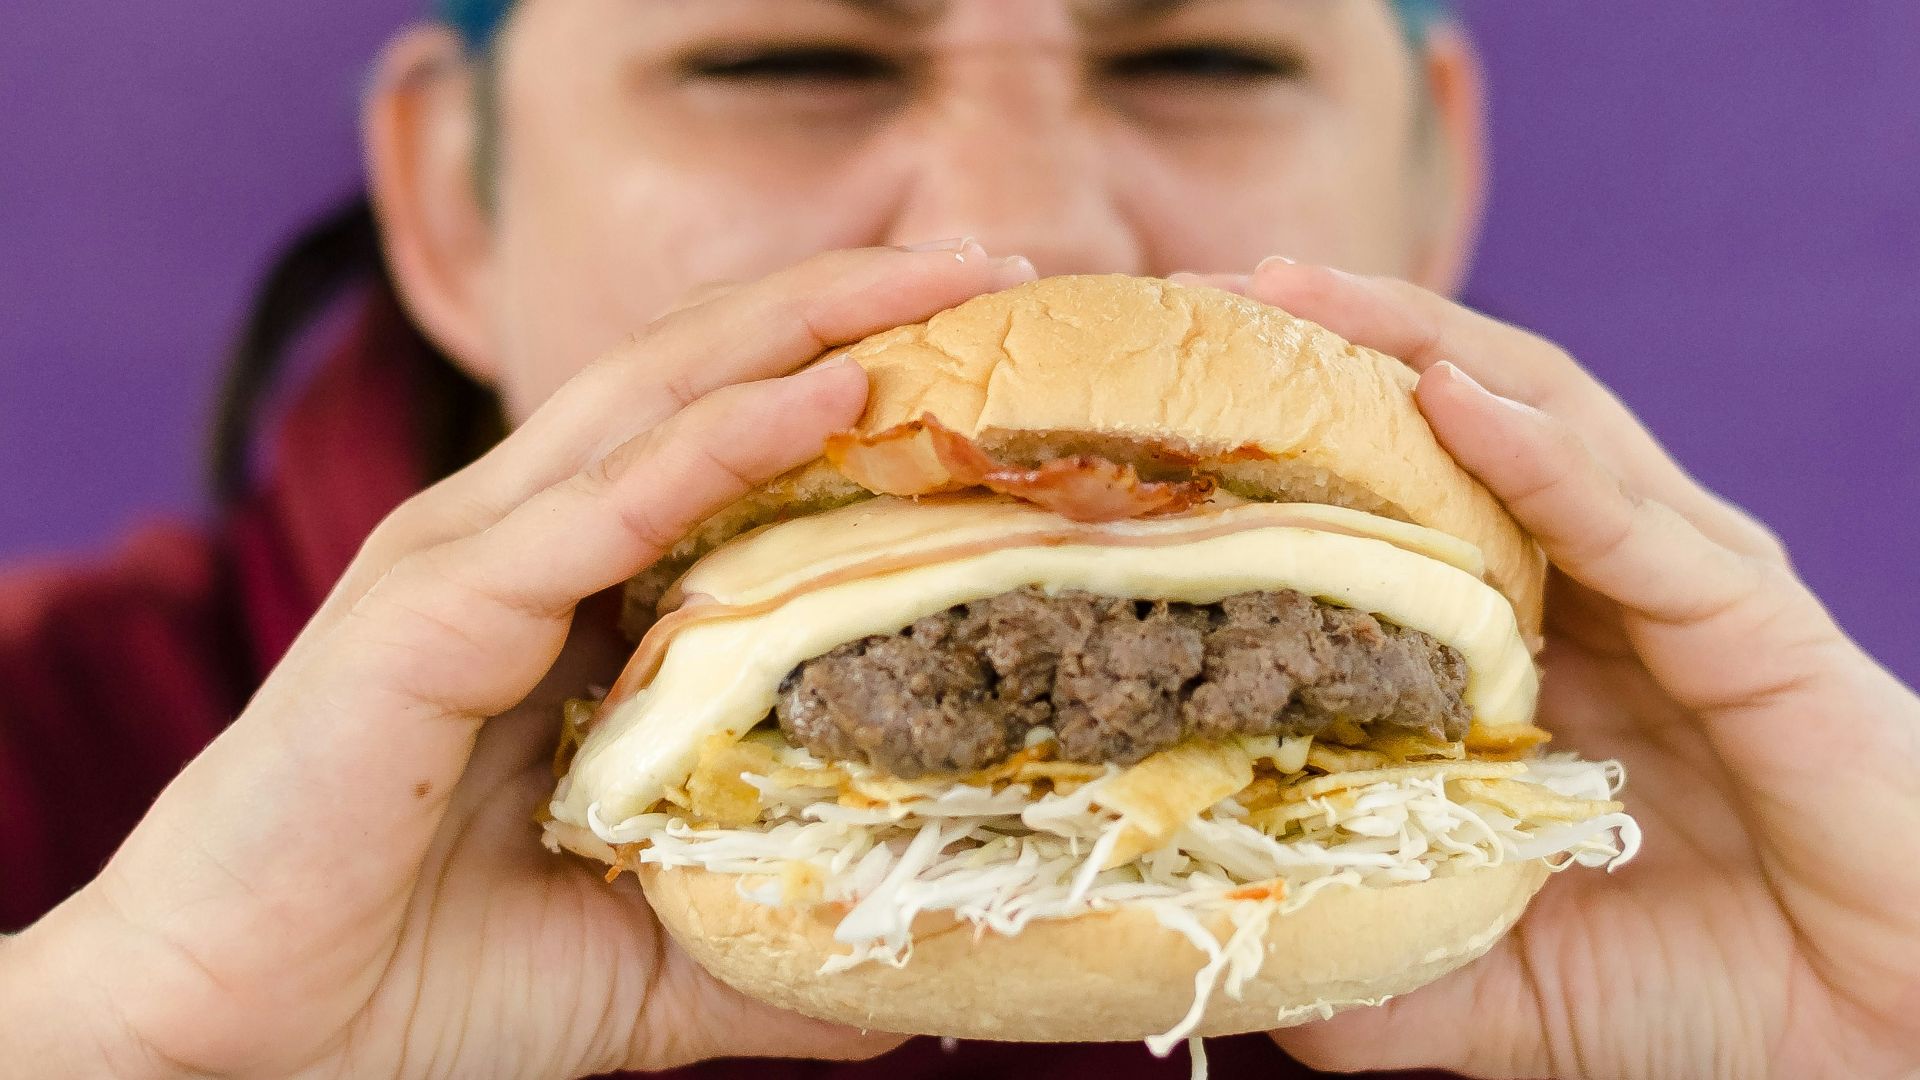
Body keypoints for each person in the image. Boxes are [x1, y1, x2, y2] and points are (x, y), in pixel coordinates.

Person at [2, 1, 1916, 1077]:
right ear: (447, 204)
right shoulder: (45, 750)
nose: (1030, 224)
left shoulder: (1684, 846)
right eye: (786, 59)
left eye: (1205, 60)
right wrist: (134, 1050)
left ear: (1431, 183)